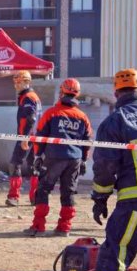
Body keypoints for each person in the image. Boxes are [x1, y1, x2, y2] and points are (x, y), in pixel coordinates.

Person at [89, 68, 137, 271]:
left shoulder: (115, 121)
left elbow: (105, 164)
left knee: (117, 249)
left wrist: (100, 196)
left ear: (116, 93)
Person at [26, 79, 92, 237]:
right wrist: (84, 160)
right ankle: (64, 228)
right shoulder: (82, 116)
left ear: (62, 92)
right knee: (68, 192)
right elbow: (88, 140)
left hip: (54, 157)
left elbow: (40, 136)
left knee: (43, 189)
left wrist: (37, 156)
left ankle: (38, 226)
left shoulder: (52, 113)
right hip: (74, 159)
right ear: (77, 94)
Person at [7, 71, 42, 207]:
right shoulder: (32, 96)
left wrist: (25, 138)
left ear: (27, 82)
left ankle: (13, 197)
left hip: (27, 136)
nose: (16, 85)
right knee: (33, 166)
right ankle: (35, 197)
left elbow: (30, 118)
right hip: (35, 137)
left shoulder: (28, 97)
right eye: (15, 82)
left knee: (15, 164)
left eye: (19, 82)